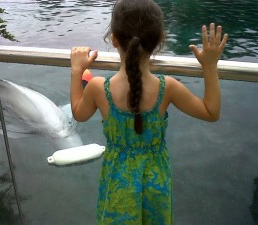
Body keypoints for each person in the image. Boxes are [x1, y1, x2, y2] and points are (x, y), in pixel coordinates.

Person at [70, 0, 228, 224]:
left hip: (117, 185)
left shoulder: (97, 88)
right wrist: (210, 66)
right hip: (156, 184)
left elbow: (78, 113)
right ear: (160, 40)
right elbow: (211, 111)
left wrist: (77, 70)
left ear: (113, 38)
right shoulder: (167, 88)